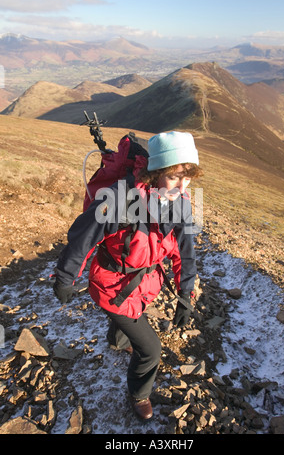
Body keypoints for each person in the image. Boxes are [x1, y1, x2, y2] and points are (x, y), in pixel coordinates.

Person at [53, 131, 203, 421]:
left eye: (188, 177)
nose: (182, 186)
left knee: (130, 321)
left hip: (146, 284)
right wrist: (65, 277)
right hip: (113, 286)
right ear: (156, 171)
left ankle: (117, 339)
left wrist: (186, 294)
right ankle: (139, 394)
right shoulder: (120, 199)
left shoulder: (181, 202)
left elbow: (185, 251)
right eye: (174, 176)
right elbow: (83, 238)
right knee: (151, 350)